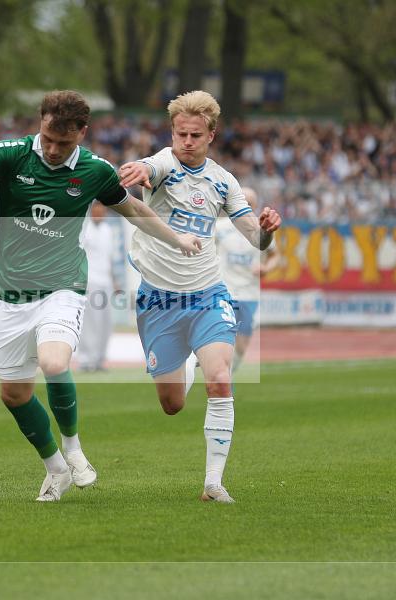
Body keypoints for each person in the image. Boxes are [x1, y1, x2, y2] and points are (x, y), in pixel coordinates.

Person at [0, 90, 201, 502]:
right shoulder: (12, 154)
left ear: (82, 132)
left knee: (54, 360)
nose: (54, 149)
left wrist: (177, 238)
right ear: (40, 123)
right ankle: (55, 469)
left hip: (63, 287)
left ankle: (74, 449)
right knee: (14, 394)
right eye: (47, 138)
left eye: (65, 142)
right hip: (10, 294)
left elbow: (133, 210)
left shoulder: (95, 170)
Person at [119, 90, 282, 504]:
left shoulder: (224, 182)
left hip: (208, 293)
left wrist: (267, 230)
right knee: (172, 405)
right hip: (159, 301)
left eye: (194, 135)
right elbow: (148, 167)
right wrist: (138, 168)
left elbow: (256, 241)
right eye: (180, 133)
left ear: (211, 134)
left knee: (222, 378)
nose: (186, 141)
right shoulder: (161, 163)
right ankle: (184, 367)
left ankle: (213, 483)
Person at [185, 188, 280, 386]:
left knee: (242, 346)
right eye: (243, 201)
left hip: (249, 293)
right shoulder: (220, 227)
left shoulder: (262, 227)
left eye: (250, 203)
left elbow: (275, 255)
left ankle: (222, 374)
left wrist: (266, 267)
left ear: (255, 205)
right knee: (219, 335)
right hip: (223, 290)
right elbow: (203, 249)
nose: (246, 205)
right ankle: (215, 374)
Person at [76, 201, 116, 372]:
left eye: (103, 208)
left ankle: (99, 359)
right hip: (89, 281)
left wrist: (115, 281)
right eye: (96, 208)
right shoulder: (85, 229)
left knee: (106, 323)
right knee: (89, 323)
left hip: (106, 281)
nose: (100, 211)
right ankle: (86, 360)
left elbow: (110, 258)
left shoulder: (108, 230)